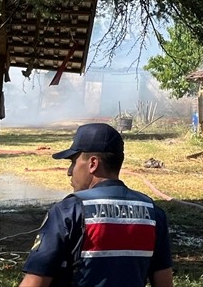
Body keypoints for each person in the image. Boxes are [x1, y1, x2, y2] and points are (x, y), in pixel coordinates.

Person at [19, 123, 173, 287]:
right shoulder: (153, 213)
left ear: (93, 163)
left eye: (73, 162)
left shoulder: (68, 211)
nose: (69, 171)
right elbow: (164, 282)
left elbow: (34, 283)